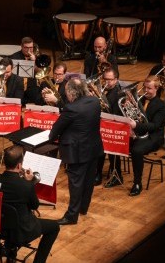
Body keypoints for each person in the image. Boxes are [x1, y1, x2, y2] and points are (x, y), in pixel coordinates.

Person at [0, 146, 59, 263]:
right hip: (20, 231)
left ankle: (7, 251)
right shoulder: (26, 185)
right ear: (19, 166)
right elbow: (34, 206)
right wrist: (30, 182)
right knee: (54, 227)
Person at [49, 78, 103, 225]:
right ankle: (83, 208)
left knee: (76, 184)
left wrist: (51, 136)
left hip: (77, 151)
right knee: (88, 181)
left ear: (72, 92)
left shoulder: (71, 109)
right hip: (93, 148)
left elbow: (56, 130)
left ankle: (71, 216)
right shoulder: (95, 102)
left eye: (66, 91)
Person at [125, 76, 165, 196]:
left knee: (136, 150)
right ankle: (115, 173)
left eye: (149, 88)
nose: (146, 91)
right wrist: (127, 106)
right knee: (116, 141)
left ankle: (137, 183)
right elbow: (133, 117)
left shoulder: (161, 105)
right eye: (145, 87)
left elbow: (154, 125)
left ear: (156, 88)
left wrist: (136, 125)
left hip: (154, 137)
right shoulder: (139, 100)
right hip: (139, 133)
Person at [96, 69, 124, 187]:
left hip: (114, 128)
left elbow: (116, 114)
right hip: (101, 125)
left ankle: (116, 175)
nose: (106, 82)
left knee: (106, 148)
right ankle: (97, 173)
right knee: (97, 148)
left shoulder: (118, 94)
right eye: (105, 79)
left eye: (110, 80)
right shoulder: (103, 91)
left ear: (116, 80)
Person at [11, 37, 41, 105]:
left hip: (31, 85)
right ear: (21, 46)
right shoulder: (14, 57)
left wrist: (34, 61)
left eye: (31, 47)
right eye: (26, 47)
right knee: (18, 101)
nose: (29, 50)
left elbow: (40, 72)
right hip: (18, 85)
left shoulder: (36, 56)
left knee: (39, 100)